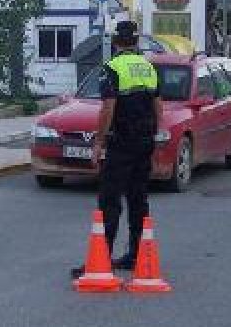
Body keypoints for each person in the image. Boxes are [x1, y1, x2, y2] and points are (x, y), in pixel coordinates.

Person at [71, 20, 164, 279]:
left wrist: (98, 141)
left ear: (115, 42)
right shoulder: (148, 67)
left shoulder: (111, 67)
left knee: (109, 200)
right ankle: (136, 254)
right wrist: (157, 138)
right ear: (136, 42)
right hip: (145, 140)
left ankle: (102, 258)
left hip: (122, 141)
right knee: (138, 199)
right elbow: (159, 106)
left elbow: (108, 107)